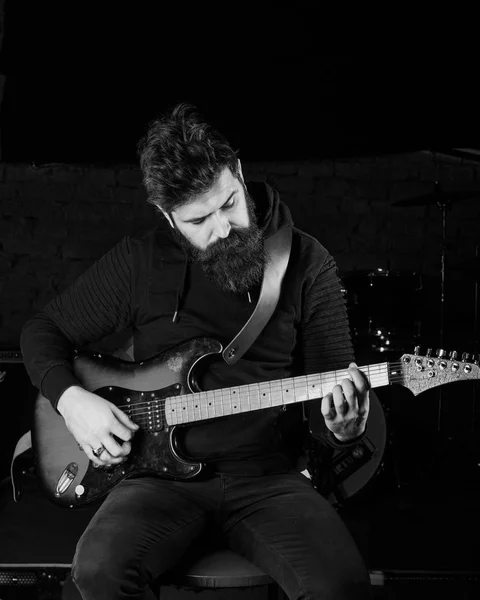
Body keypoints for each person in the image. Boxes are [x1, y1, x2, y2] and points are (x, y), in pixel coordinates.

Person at [20, 103, 372, 599]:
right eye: (198, 220)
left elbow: (331, 394)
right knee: (98, 575)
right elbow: (42, 330)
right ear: (167, 215)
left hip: (268, 479)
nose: (222, 228)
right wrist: (72, 400)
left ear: (240, 173)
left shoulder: (308, 262)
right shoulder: (140, 260)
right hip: (156, 482)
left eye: (228, 203)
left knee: (343, 587)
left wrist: (343, 427)